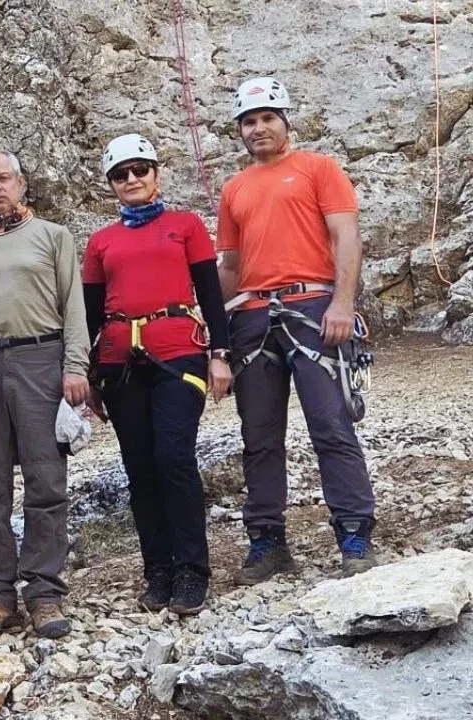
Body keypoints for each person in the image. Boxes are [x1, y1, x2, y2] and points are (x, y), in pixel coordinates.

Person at [217, 77, 377, 582]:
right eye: (249, 121)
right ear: (240, 130)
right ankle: (267, 541)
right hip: (253, 316)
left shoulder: (318, 169)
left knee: (330, 424)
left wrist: (343, 303)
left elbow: (345, 236)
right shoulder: (235, 188)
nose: (259, 127)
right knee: (259, 435)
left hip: (313, 307)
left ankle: (354, 534)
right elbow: (229, 265)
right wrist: (219, 337)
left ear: (286, 121)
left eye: (267, 118)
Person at [81, 134, 232, 616]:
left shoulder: (185, 226)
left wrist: (221, 354)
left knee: (173, 456)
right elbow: (89, 314)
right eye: (120, 174)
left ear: (155, 174)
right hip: (119, 362)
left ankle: (192, 570)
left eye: (139, 170)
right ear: (111, 184)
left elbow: (210, 292)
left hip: (179, 354)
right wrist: (86, 374)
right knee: (140, 467)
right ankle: (158, 572)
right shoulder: (101, 242)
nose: (131, 180)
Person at [0, 150, 89, 639]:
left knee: (45, 478)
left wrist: (75, 367)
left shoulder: (53, 237)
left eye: (3, 178)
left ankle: (44, 590)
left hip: (41, 359)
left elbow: (74, 306)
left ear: (21, 182)